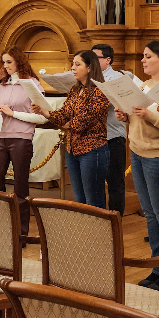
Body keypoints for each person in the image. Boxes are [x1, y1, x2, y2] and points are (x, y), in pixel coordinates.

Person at [114, 40, 159, 292]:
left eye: (148, 56)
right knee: (150, 213)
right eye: (143, 56)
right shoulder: (144, 86)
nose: (143, 60)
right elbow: (141, 124)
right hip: (138, 152)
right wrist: (127, 117)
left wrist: (150, 115)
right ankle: (158, 268)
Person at [31, 50, 109, 208]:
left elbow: (79, 123)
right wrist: (44, 112)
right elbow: (64, 115)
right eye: (73, 64)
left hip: (92, 150)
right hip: (72, 149)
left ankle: (99, 232)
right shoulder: (75, 90)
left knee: (93, 200)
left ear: (89, 67)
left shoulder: (100, 92)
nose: (73, 68)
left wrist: (65, 124)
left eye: (77, 64)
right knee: (79, 198)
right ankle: (84, 230)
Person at [0, 47, 47, 235]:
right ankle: (1, 227)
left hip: (21, 137)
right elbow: (2, 109)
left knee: (20, 187)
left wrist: (13, 113)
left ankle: (21, 232)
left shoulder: (32, 84)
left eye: (9, 62)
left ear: (19, 61)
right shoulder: (3, 85)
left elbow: (42, 118)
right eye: (3, 63)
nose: (5, 66)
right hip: (1, 136)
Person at [92, 43, 128, 215]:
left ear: (108, 60)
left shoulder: (118, 77)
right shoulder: (88, 76)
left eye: (95, 57)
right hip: (92, 136)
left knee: (115, 182)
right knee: (94, 182)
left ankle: (116, 219)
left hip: (113, 136)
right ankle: (98, 219)